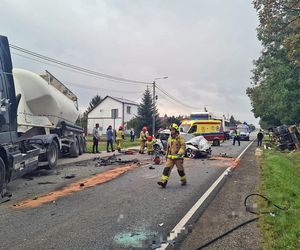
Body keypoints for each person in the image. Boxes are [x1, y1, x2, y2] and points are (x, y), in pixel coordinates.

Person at [157, 123, 186, 188]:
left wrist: (179, 153)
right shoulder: (169, 138)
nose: (171, 131)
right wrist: (166, 155)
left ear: (176, 130)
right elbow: (168, 148)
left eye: (173, 130)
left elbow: (183, 146)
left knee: (180, 170)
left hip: (178, 158)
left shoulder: (180, 138)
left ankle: (183, 180)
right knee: (166, 169)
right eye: (171, 130)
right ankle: (163, 182)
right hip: (171, 158)